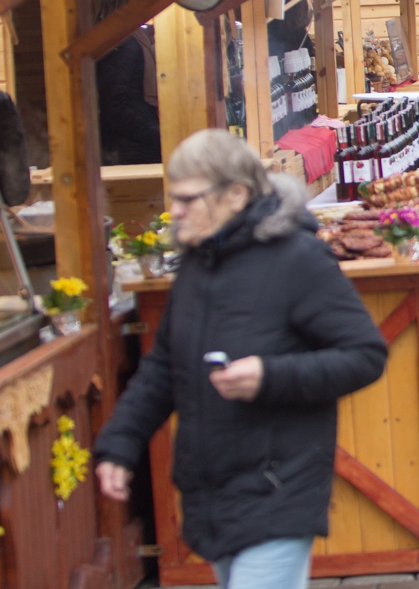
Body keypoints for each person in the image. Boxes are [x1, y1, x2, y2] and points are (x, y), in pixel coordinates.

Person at [93, 130, 388, 589]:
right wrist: (119, 444)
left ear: (236, 194)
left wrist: (269, 376)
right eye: (174, 198)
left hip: (279, 486)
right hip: (212, 491)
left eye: (190, 199)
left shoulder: (298, 259)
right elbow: (163, 368)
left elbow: (365, 354)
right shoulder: (196, 263)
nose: (177, 211)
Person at [95, 0, 162, 166]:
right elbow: (115, 104)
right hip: (130, 149)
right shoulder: (122, 43)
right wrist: (156, 135)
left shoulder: (118, 36)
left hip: (129, 144)